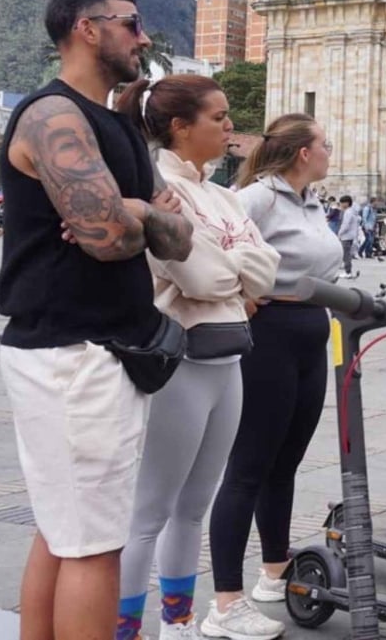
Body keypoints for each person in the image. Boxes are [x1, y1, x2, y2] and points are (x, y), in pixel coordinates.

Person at [0, 0, 195, 640]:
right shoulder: (52, 116)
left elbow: (181, 236)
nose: (144, 37)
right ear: (87, 28)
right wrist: (132, 215)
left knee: (63, 530)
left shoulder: (116, 127)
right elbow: (109, 239)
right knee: (93, 544)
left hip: (101, 350)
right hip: (72, 353)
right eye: (131, 24)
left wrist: (129, 209)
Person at [112, 76, 280, 640]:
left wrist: (228, 266)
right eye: (218, 116)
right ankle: (126, 630)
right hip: (179, 362)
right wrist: (236, 268)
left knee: (193, 509)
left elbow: (266, 268)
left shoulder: (223, 194)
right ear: (181, 127)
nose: (230, 126)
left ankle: (178, 622)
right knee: (150, 512)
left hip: (228, 357)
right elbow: (199, 275)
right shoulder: (160, 190)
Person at [206, 114, 342, 640]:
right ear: (303, 153)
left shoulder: (310, 202)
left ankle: (274, 569)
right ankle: (225, 601)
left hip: (311, 332)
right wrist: (236, 292)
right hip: (270, 337)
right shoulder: (258, 197)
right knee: (248, 467)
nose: (329, 151)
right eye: (324, 144)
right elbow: (208, 241)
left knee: (285, 462)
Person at [336, 195, 361, 280]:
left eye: (342, 203)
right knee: (347, 254)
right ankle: (348, 271)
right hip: (350, 235)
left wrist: (339, 233)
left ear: (346, 203)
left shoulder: (348, 212)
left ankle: (348, 272)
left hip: (346, 236)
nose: (341, 204)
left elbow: (345, 225)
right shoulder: (352, 211)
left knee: (346, 254)